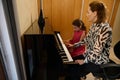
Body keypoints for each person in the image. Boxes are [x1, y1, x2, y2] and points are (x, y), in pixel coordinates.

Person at [66, 1, 112, 80]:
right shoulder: (94, 25)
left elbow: (96, 52)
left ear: (95, 13)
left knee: (73, 72)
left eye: (88, 12)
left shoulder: (105, 29)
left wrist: (84, 61)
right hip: (89, 55)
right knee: (69, 64)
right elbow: (86, 40)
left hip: (98, 60)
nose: (86, 15)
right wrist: (74, 45)